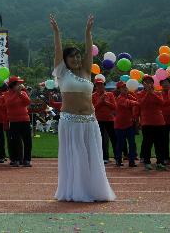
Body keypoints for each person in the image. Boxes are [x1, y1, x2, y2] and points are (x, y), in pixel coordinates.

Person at [50, 14, 115, 202]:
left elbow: (89, 50)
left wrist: (88, 32)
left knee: (92, 157)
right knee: (76, 157)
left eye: (78, 55)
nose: (77, 58)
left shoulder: (87, 71)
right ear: (66, 60)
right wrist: (57, 33)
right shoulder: (62, 73)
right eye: (72, 56)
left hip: (90, 121)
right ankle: (76, 191)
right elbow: (57, 49)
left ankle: (94, 191)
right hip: (70, 122)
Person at [137, 73, 168, 171]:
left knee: (160, 143)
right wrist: (148, 93)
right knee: (147, 143)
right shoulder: (139, 94)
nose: (148, 84)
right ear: (143, 84)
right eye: (146, 82)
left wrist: (152, 93)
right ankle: (147, 162)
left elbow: (161, 103)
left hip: (159, 121)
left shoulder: (158, 93)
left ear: (153, 83)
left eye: (150, 82)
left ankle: (160, 162)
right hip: (147, 122)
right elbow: (141, 104)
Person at [4, 76, 32, 167]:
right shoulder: (7, 94)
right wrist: (17, 93)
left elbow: (27, 102)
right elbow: (8, 103)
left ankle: (27, 160)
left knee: (27, 140)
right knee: (15, 141)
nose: (20, 85)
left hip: (25, 119)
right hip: (14, 120)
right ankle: (15, 159)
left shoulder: (23, 93)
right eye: (18, 84)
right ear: (12, 85)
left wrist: (20, 93)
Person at [113, 81, 138, 167]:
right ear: (119, 89)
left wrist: (138, 101)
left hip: (129, 124)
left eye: (125, 87)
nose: (125, 88)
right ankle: (118, 160)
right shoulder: (120, 98)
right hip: (119, 125)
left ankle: (131, 161)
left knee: (132, 143)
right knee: (120, 144)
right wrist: (138, 103)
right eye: (122, 87)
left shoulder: (129, 96)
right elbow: (128, 103)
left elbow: (136, 100)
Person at [92, 79, 116, 164]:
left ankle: (117, 157)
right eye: (98, 85)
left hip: (110, 119)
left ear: (104, 85)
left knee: (114, 139)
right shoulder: (93, 96)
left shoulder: (110, 94)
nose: (100, 86)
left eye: (101, 85)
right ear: (95, 87)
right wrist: (100, 102)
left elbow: (114, 107)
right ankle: (104, 157)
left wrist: (106, 102)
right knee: (101, 139)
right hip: (99, 120)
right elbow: (93, 109)